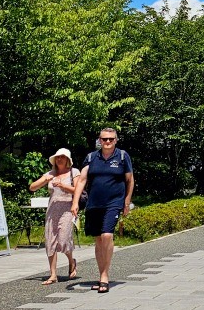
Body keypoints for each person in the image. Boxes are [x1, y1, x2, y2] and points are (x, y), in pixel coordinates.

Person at [72, 126, 133, 294]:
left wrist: (126, 203)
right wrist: (75, 202)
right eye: (104, 139)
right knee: (98, 240)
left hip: (114, 202)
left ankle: (105, 276)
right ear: (99, 140)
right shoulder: (91, 157)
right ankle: (101, 276)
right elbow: (82, 180)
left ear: (116, 140)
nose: (107, 142)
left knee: (107, 235)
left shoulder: (122, 156)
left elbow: (130, 180)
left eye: (111, 139)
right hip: (94, 203)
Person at [29, 147, 79, 285]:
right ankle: (53, 275)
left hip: (68, 210)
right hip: (52, 211)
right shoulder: (50, 173)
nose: (59, 159)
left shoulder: (74, 173)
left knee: (63, 240)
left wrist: (63, 186)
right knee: (50, 241)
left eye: (62, 157)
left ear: (68, 160)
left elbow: (78, 190)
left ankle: (71, 261)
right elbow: (32, 187)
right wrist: (45, 180)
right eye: (57, 157)